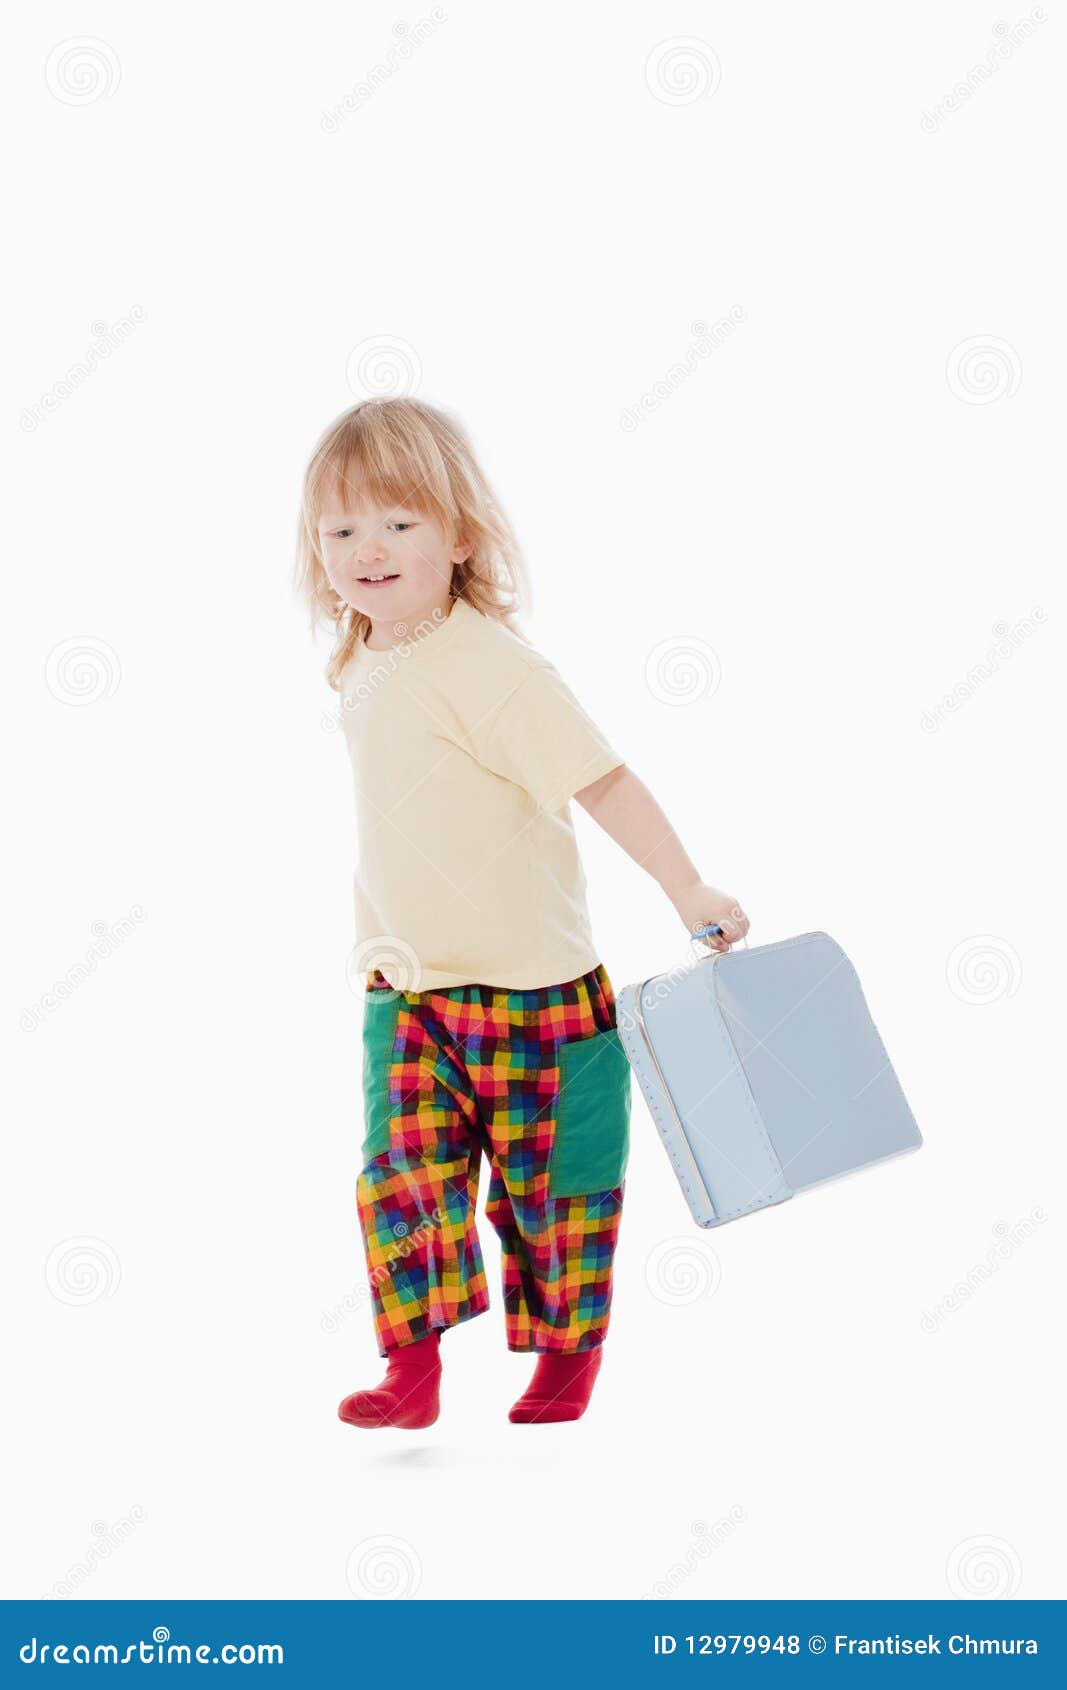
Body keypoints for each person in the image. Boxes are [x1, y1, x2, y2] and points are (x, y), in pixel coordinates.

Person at [295, 397, 747, 1427]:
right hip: (408, 988)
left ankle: (564, 1358)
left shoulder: (493, 667)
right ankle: (409, 1370)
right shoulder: (360, 652)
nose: (368, 549)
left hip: (538, 996)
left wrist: (687, 888)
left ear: (459, 540)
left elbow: (603, 780)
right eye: (342, 528)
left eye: (399, 524)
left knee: (558, 1199)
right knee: (399, 1181)